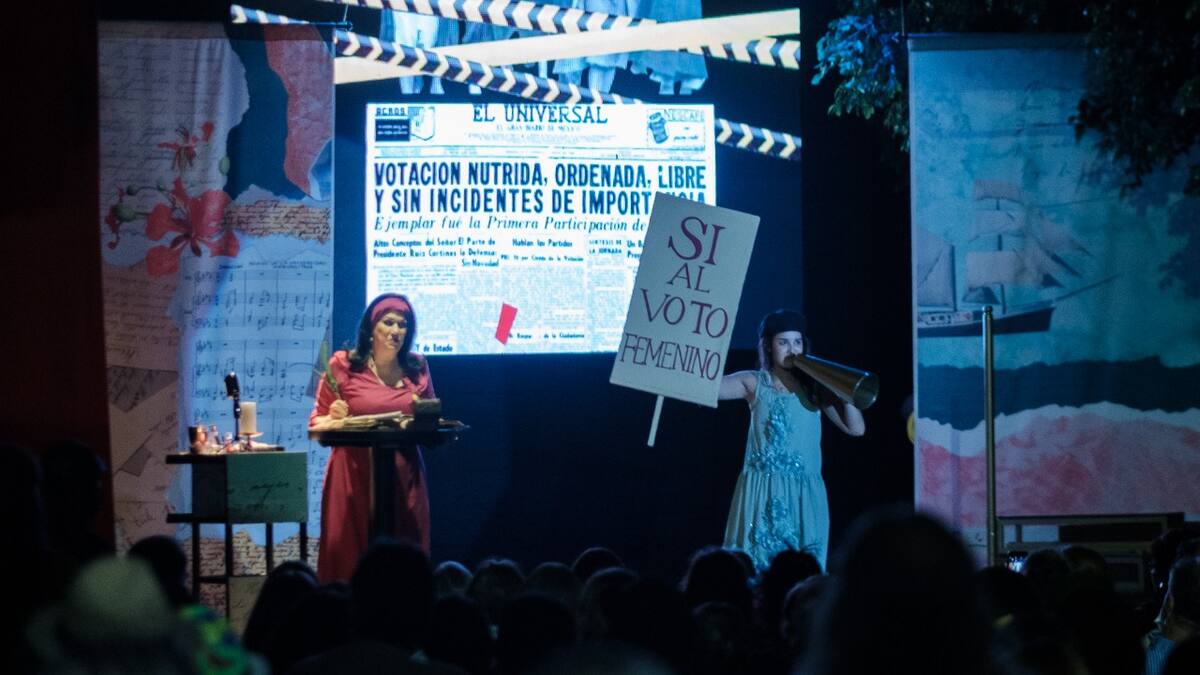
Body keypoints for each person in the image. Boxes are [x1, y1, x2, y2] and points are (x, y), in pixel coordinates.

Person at [719, 309, 865, 571]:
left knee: (803, 569)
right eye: (783, 342)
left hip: (802, 496)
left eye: (797, 342)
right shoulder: (755, 382)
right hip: (761, 492)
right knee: (756, 566)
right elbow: (711, 388)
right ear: (768, 346)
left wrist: (846, 393)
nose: (792, 349)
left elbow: (856, 429)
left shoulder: (815, 387)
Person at [309, 293, 435, 583]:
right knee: (349, 559)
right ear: (370, 327)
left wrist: (424, 417)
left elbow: (430, 417)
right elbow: (316, 423)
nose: (396, 331)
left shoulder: (416, 367)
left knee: (404, 563)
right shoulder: (343, 365)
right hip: (352, 475)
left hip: (404, 475)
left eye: (402, 324)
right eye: (388, 322)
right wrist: (335, 417)